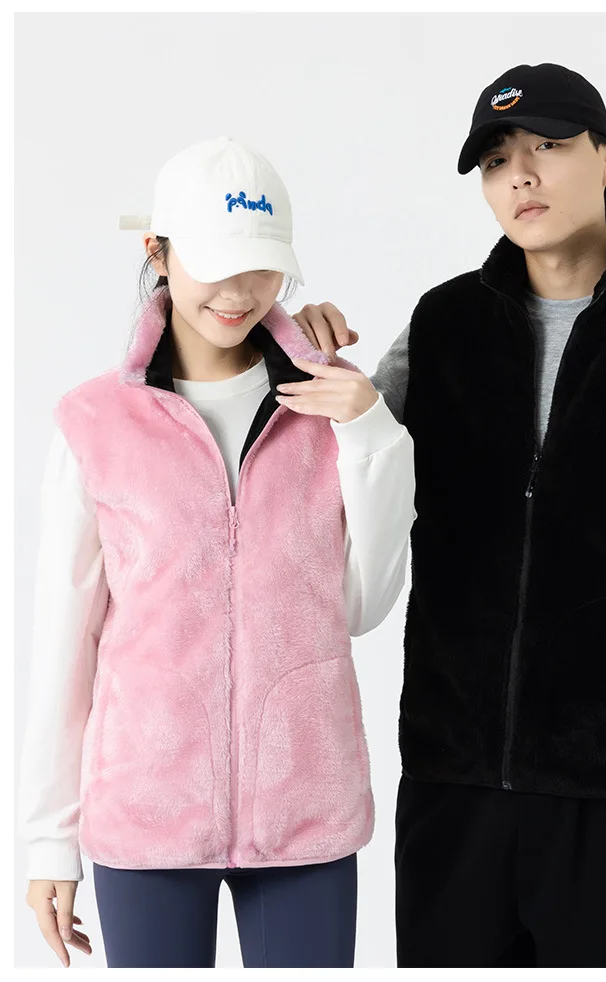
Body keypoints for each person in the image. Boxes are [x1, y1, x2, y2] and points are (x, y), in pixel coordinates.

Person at [289, 63, 606, 967]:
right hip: (452, 785)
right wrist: (287, 332)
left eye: (548, 145)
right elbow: (343, 470)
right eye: (496, 160)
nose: (520, 174)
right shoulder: (443, 326)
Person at [18, 136, 416, 969]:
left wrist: (371, 432)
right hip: (145, 815)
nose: (238, 293)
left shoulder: (330, 407)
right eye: (215, 264)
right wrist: (49, 841)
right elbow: (65, 641)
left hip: (306, 812)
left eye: (262, 268)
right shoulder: (94, 424)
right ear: (158, 252)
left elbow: (361, 606)